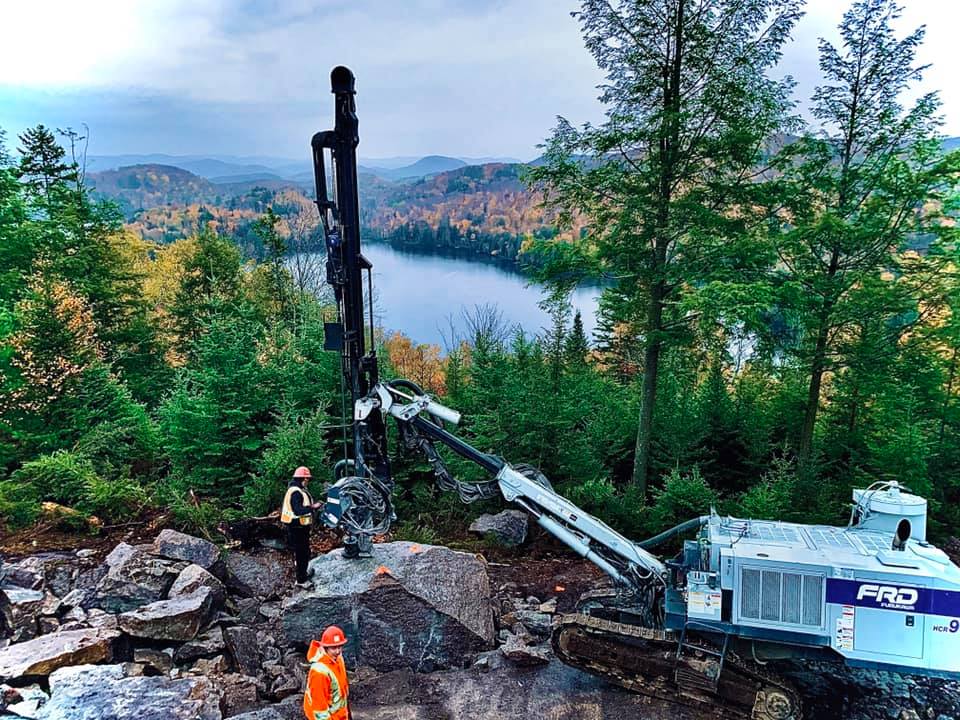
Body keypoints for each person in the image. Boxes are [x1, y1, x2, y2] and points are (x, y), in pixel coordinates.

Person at [280, 465, 321, 587]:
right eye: (307, 479)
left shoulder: (297, 490)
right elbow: (298, 510)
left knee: (304, 552)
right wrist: (313, 507)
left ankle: (303, 573)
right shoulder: (296, 492)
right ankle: (301, 580)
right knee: (301, 553)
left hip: (300, 527)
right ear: (302, 479)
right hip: (296, 528)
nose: (308, 481)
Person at [303, 625, 350, 720]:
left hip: (340, 714)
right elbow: (320, 709)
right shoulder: (319, 672)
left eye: (339, 647)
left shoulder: (338, 658)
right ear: (325, 648)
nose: (337, 651)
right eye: (333, 648)